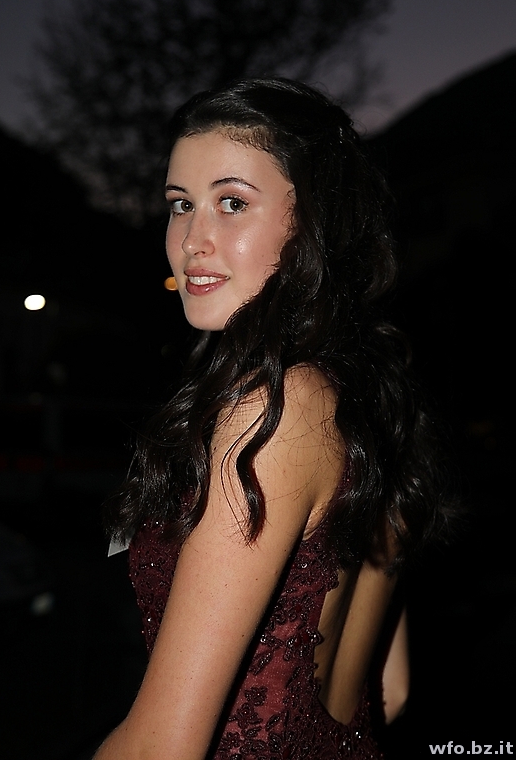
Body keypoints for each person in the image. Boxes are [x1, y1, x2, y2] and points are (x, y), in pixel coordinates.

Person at [96, 78, 450, 759]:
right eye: (180, 204)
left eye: (231, 202)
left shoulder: (271, 409)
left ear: (316, 221)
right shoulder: (373, 399)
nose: (192, 239)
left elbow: (162, 748)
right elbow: (393, 688)